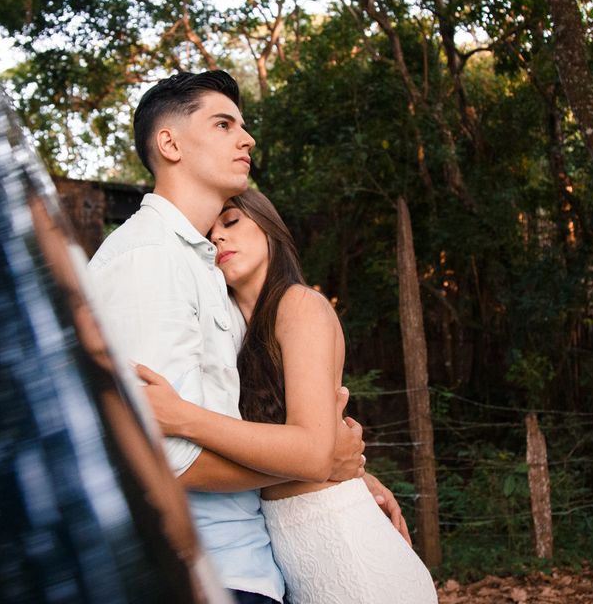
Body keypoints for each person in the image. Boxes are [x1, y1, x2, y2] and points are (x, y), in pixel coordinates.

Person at [88, 71, 405, 604]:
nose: (247, 138)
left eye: (243, 124)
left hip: (254, 566)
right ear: (169, 144)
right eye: (223, 123)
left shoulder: (209, 273)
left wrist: (343, 475)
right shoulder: (149, 258)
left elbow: (252, 426)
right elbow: (165, 457)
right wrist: (322, 462)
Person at [134, 188, 439, 604]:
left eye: (231, 221)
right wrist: (353, 466)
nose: (218, 238)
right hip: (292, 559)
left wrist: (181, 416)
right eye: (209, 233)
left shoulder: (299, 306)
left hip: (346, 552)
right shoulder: (234, 332)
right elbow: (307, 443)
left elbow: (313, 449)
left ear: (270, 227)